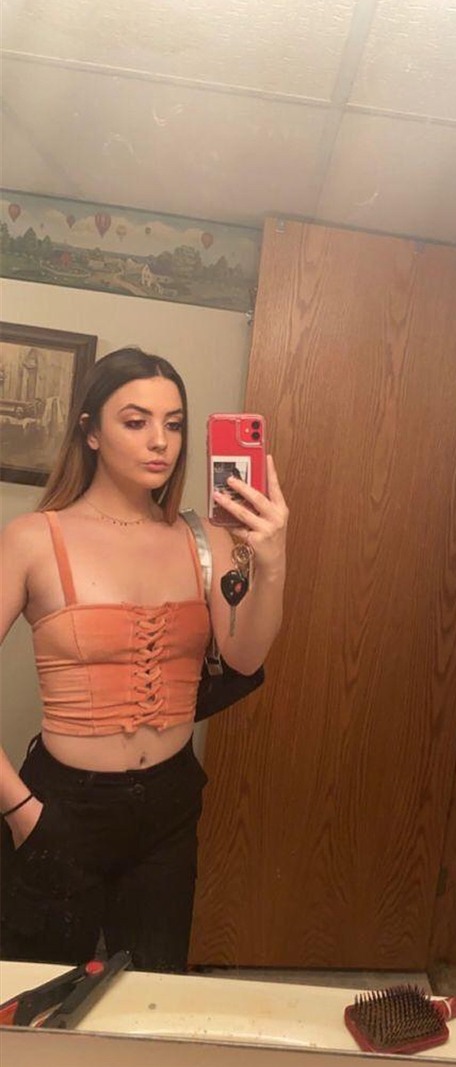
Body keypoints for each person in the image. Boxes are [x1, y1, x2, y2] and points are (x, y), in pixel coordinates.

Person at [0, 347, 288, 973]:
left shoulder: (203, 538)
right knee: (37, 997)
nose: (161, 441)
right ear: (91, 431)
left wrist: (272, 559)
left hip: (168, 807)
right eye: (136, 422)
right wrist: (20, 810)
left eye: (174, 423)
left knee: (154, 992)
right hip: (61, 806)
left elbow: (245, 656)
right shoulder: (34, 538)